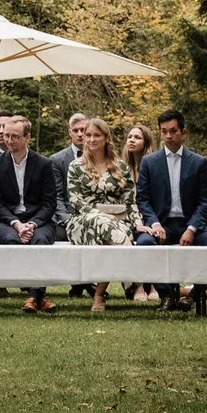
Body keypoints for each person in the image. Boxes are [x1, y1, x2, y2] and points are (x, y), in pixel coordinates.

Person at [133, 109, 207, 309]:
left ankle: (193, 296)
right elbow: (143, 199)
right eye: (164, 131)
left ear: (183, 132)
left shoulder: (198, 162)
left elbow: (205, 201)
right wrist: (154, 223)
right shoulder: (149, 162)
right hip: (161, 224)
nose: (168, 136)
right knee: (144, 244)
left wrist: (191, 229)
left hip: (191, 224)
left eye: (173, 131)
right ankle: (166, 295)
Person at [0, 115, 65, 312]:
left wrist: (32, 224)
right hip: (5, 220)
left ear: (28, 137)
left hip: (38, 220)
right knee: (12, 240)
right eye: (7, 136)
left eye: (15, 137)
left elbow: (49, 204)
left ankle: (33, 296)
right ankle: (39, 297)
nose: (9, 141)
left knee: (40, 241)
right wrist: (17, 224)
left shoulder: (44, 164)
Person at [63, 116, 138, 312]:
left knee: (111, 236)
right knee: (104, 225)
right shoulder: (75, 166)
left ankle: (99, 294)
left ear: (106, 138)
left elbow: (130, 201)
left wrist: (138, 224)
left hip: (117, 223)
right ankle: (135, 283)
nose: (90, 139)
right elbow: (75, 201)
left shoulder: (121, 167)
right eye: (88, 135)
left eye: (96, 135)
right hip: (82, 221)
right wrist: (99, 214)